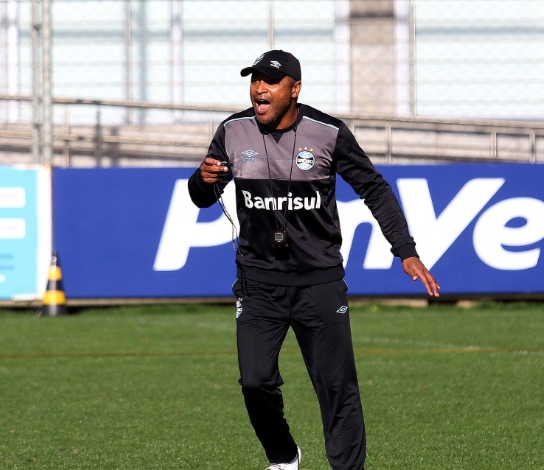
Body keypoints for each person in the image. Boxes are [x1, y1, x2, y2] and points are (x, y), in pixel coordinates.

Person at [188, 50, 440, 470]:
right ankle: (284, 456)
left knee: (337, 388)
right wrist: (203, 179)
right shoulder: (232, 131)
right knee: (254, 381)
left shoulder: (328, 132)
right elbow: (202, 196)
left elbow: (374, 188)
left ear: (295, 89)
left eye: (270, 81)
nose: (259, 89)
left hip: (319, 284)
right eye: (254, 81)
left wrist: (405, 250)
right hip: (258, 283)